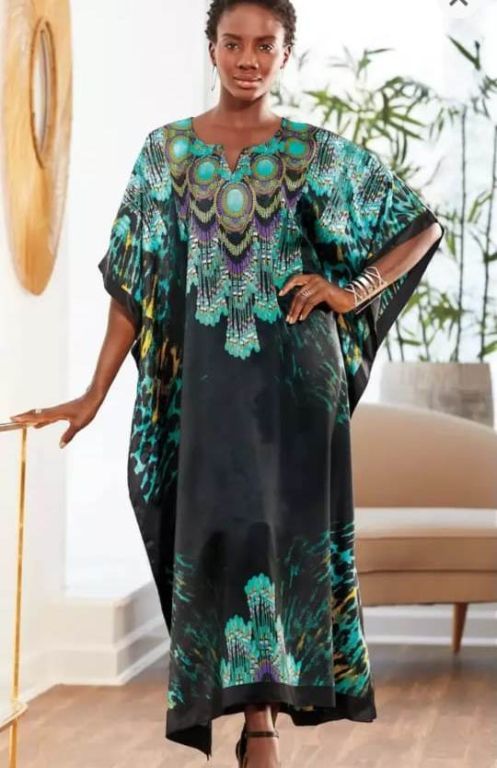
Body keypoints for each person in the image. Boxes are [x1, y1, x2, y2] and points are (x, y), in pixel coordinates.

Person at [10, 1, 445, 766]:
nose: (248, 58)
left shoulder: (314, 153)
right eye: (233, 43)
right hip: (202, 395)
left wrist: (352, 291)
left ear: (285, 54)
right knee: (219, 533)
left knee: (272, 539)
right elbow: (134, 284)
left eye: (264, 45)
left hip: (294, 391)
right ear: (210, 48)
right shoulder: (166, 153)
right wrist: (93, 392)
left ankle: (260, 726)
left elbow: (419, 227)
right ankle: (251, 716)